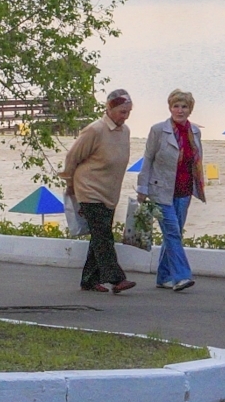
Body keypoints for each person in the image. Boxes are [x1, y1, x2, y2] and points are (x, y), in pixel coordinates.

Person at [60, 89, 137, 294]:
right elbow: (72, 158)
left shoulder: (125, 131)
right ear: (109, 109)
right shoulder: (94, 130)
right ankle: (116, 279)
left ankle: (89, 280)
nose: (125, 116)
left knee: (99, 236)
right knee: (103, 235)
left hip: (109, 192)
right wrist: (70, 184)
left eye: (129, 112)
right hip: (88, 190)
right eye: (122, 112)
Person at [138, 88, 205, 291]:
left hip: (184, 191)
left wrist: (199, 187)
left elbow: (196, 162)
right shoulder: (158, 130)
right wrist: (142, 187)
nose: (180, 110)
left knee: (173, 234)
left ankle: (163, 276)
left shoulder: (195, 132)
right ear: (170, 108)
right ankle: (182, 276)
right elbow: (148, 159)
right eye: (176, 106)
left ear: (190, 109)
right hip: (161, 191)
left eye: (184, 106)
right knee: (173, 232)